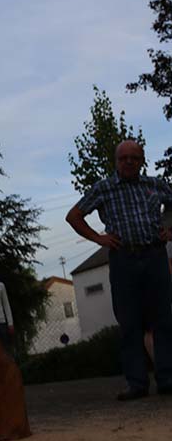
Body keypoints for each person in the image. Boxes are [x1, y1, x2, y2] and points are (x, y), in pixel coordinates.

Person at [65, 139, 172, 400]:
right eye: (124, 158)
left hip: (155, 256)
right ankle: (136, 384)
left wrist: (169, 229)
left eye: (134, 158)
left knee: (163, 319)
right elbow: (74, 216)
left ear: (142, 161)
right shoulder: (104, 188)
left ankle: (167, 379)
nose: (129, 162)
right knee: (129, 322)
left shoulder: (155, 184)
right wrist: (98, 238)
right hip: (124, 259)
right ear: (116, 161)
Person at [0, 273, 15, 352]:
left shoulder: (0, 286)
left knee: (4, 348)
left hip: (1, 322)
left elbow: (6, 304)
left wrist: (10, 323)